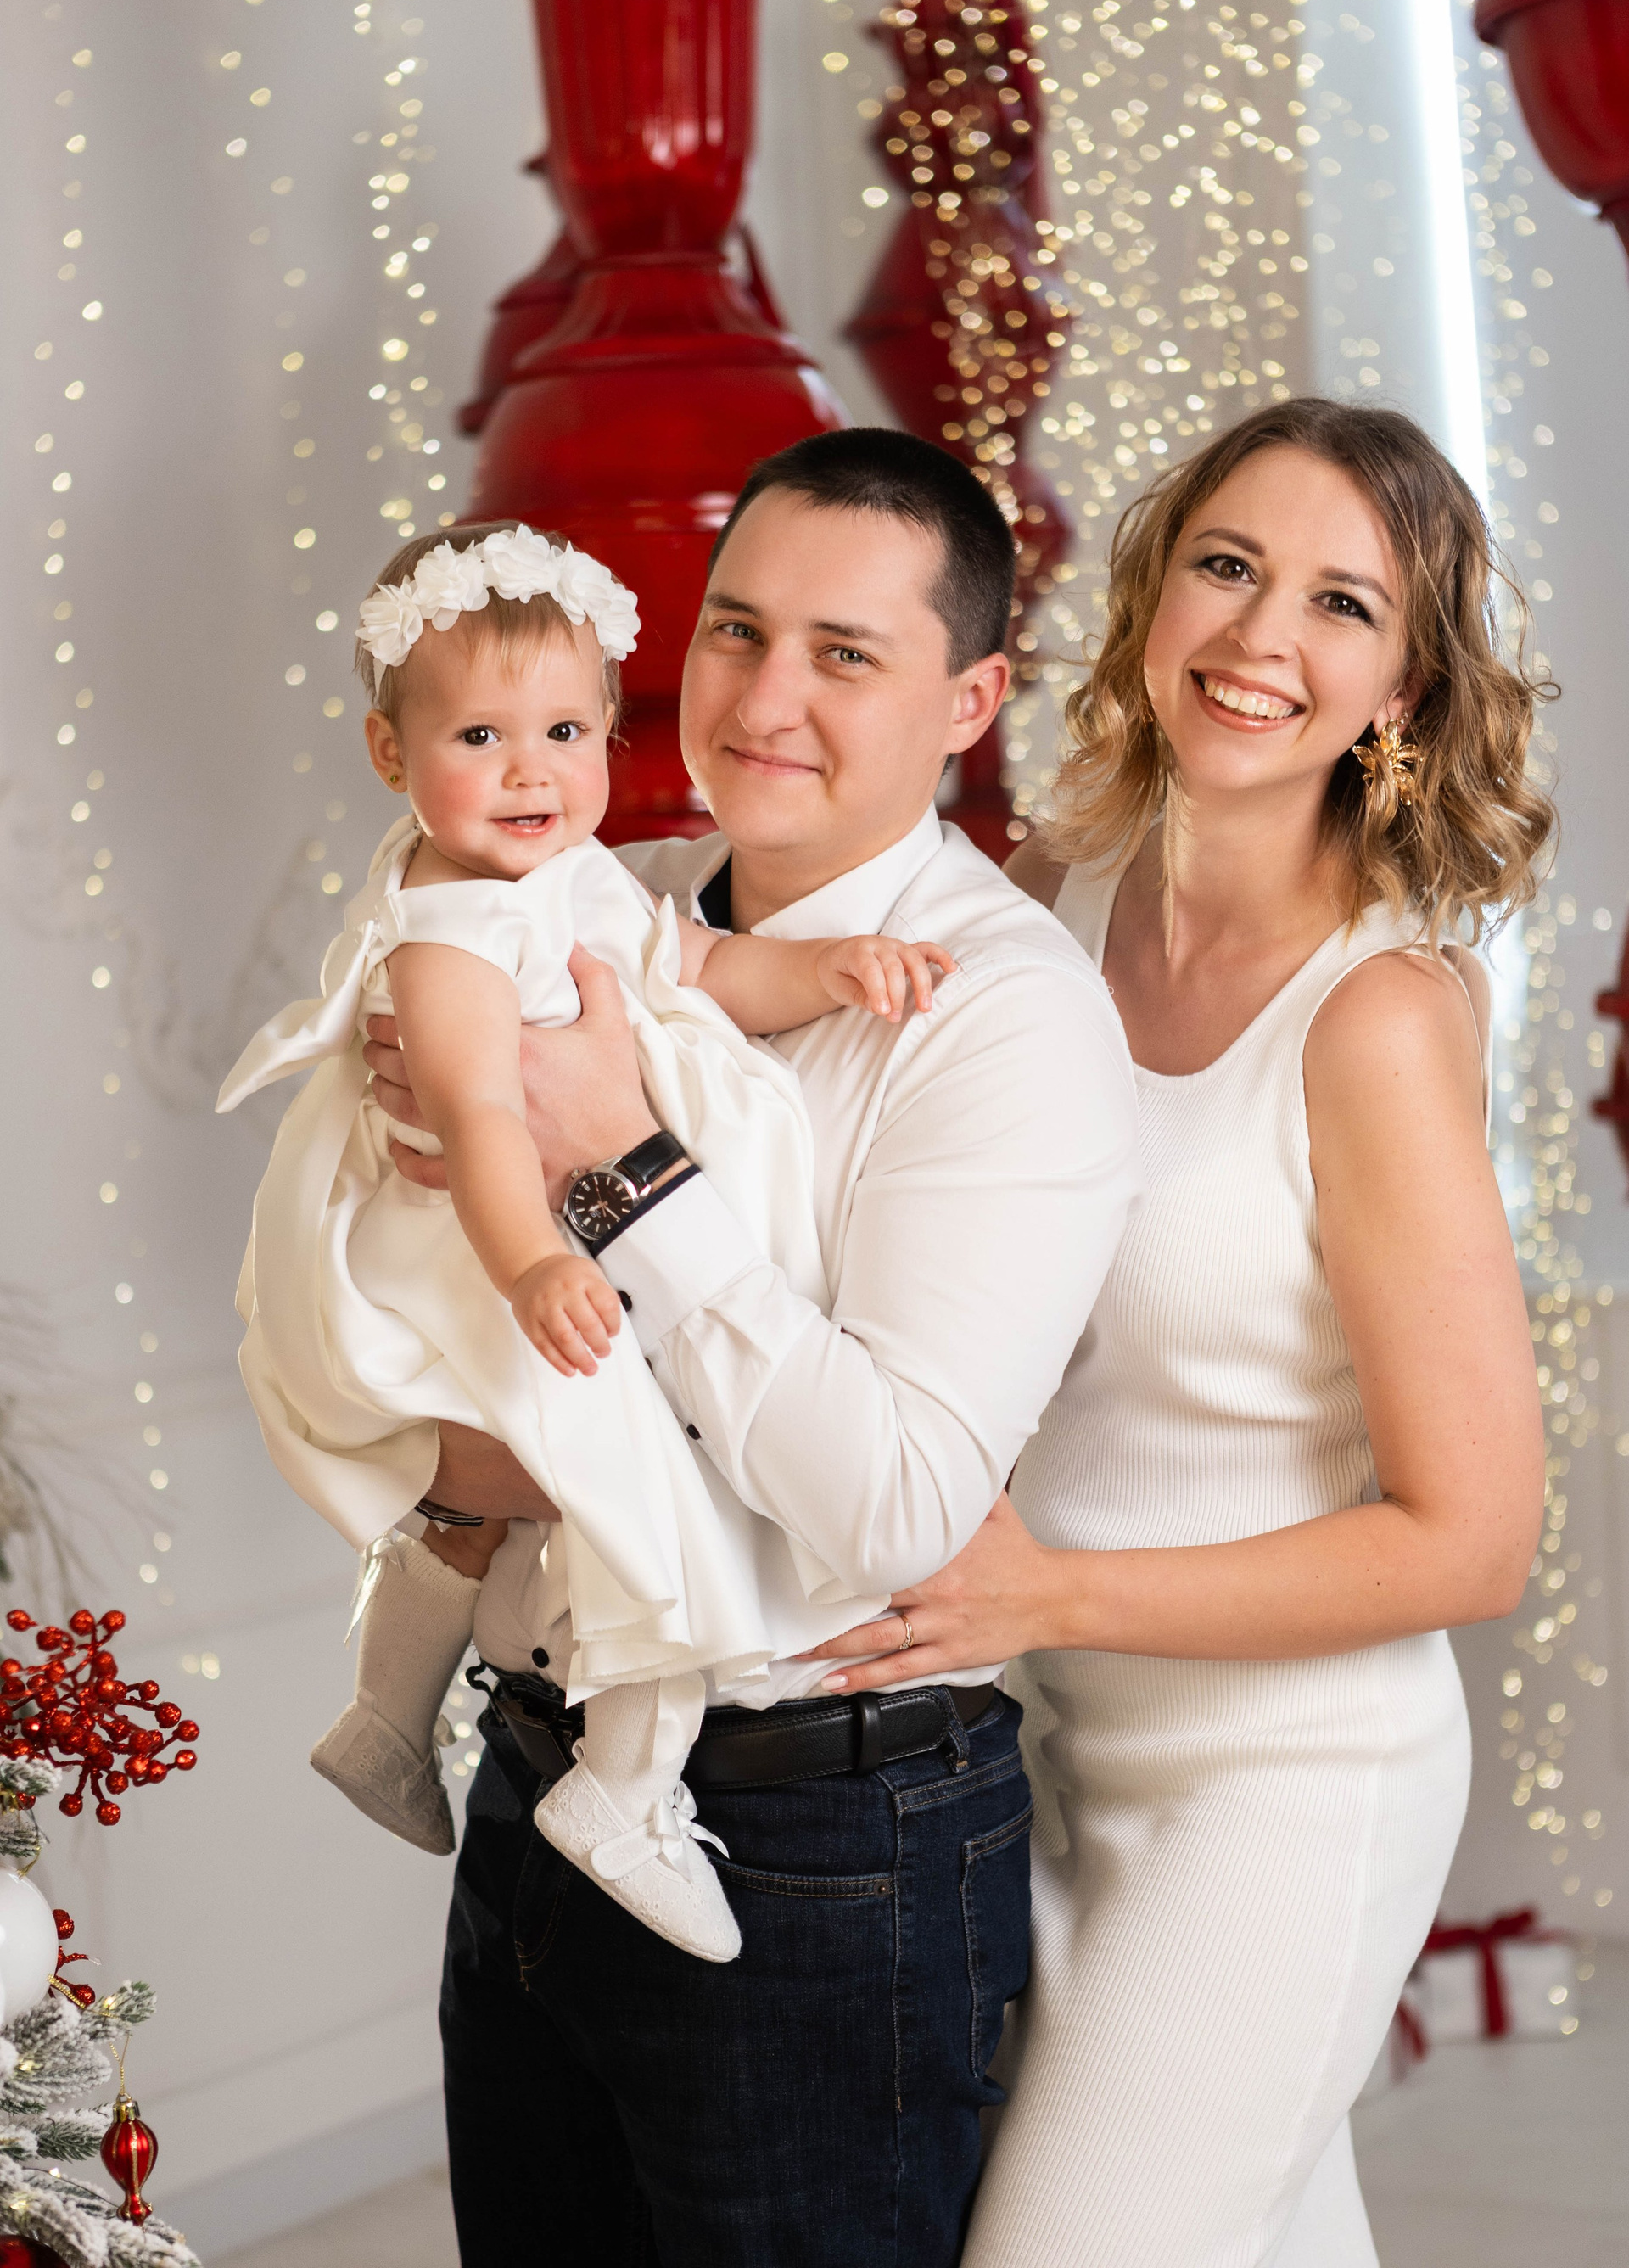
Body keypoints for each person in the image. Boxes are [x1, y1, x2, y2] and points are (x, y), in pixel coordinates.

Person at [363, 429, 1142, 2266]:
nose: (764, 698)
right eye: (736, 629)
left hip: (822, 1847)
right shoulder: (593, 902)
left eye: (844, 654)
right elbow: (436, 1357)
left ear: (970, 703)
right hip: (534, 1778)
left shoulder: (1004, 1013)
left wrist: (618, 1163)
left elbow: (893, 1508)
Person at [807, 399, 1550, 2267]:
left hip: (1285, 1787)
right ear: (1153, 595)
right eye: (1228, 565)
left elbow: (1474, 1540)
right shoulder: (1041, 910)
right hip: (1043, 1743)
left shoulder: (1379, 1018)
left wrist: (1049, 1594)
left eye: (1341, 605)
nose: (1259, 636)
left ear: (1402, 687)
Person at [218, 518, 956, 1966]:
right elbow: (484, 1117)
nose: (529, 771)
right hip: (486, 1242)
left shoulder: (581, 878)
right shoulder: (451, 934)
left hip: (556, 1224)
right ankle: (626, 1787)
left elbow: (704, 965)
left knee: (541, 1498)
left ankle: (386, 1719)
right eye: (479, 737)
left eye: (564, 732)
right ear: (390, 754)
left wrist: (830, 969)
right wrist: (535, 1266)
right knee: (644, 1492)